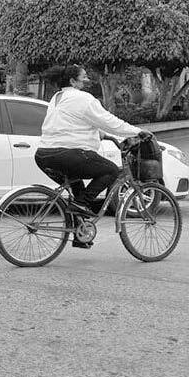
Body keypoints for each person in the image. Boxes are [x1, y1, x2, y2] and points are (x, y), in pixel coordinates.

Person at [34, 65, 150, 249]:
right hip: (68, 153)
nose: (87, 80)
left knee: (77, 191)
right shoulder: (83, 98)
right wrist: (136, 131)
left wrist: (101, 134)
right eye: (84, 77)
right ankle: (82, 204)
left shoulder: (57, 97)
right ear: (73, 81)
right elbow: (108, 120)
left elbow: (71, 123)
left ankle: (80, 235)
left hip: (44, 155)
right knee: (111, 171)